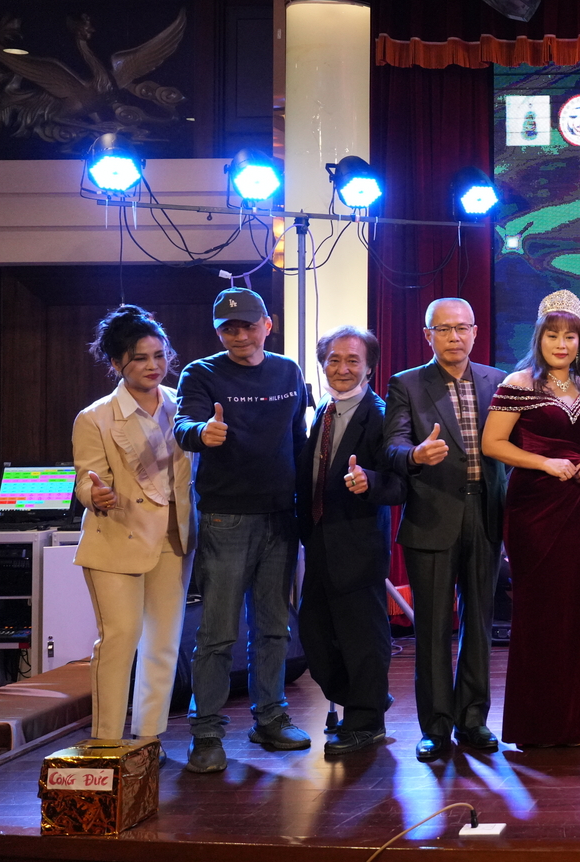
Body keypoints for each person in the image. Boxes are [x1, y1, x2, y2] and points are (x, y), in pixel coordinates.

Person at [173, 287, 310, 774]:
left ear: (267, 325)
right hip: (226, 517)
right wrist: (201, 434)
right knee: (217, 633)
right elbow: (183, 425)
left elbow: (298, 440)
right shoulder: (200, 373)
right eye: (228, 328)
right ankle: (206, 732)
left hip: (281, 515)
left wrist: (309, 502)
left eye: (247, 326)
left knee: (273, 627)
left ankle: (270, 718)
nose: (239, 335)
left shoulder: (288, 372)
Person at [383, 297, 510, 761]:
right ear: (428, 335)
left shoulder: (499, 381)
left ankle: (473, 718)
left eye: (462, 328)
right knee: (434, 628)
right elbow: (392, 446)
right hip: (432, 516)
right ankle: (436, 726)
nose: (454, 337)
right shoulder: (407, 384)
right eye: (443, 329)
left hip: (486, 512)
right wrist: (415, 455)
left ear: (475, 332)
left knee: (479, 623)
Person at [71, 306, 194, 752]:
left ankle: (148, 739)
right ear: (116, 363)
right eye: (140, 357)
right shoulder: (96, 417)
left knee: (164, 644)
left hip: (173, 538)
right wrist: (95, 494)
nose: (153, 365)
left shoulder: (183, 406)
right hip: (116, 537)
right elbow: (85, 478)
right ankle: (106, 741)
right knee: (120, 638)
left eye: (159, 355)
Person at [479, 299, 580, 748]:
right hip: (533, 506)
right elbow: (492, 443)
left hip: (577, 505)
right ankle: (535, 724)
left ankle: (571, 720)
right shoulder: (518, 383)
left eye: (570, 336)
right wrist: (544, 463)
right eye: (553, 335)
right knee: (539, 612)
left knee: (575, 610)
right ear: (539, 337)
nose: (561, 344)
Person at [296, 325, 404, 757]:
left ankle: (366, 721)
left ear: (370, 368)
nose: (342, 369)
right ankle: (369, 697)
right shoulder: (323, 410)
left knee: (363, 638)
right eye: (334, 360)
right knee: (315, 636)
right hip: (319, 541)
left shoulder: (380, 415)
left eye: (352, 361)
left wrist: (368, 481)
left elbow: (399, 483)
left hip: (358, 545)